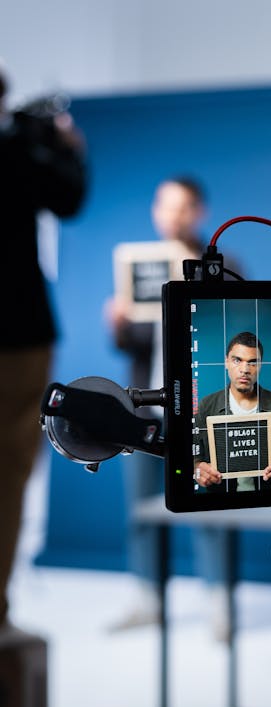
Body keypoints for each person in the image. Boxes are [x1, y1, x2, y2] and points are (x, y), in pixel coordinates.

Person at [105, 177, 240, 635]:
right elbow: (133, 345)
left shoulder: (223, 263)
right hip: (146, 408)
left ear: (198, 211)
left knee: (211, 505)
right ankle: (147, 598)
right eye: (164, 206)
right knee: (140, 507)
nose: (172, 216)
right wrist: (119, 322)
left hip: (203, 407)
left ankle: (220, 605)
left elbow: (236, 326)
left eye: (182, 207)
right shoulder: (139, 268)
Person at [0, 63, 87, 635]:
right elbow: (69, 197)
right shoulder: (16, 153)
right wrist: (68, 149)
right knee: (8, 473)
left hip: (20, 332)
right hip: (18, 331)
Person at [194, 331, 271, 491]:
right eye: (237, 360)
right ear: (226, 362)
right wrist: (198, 469)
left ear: (260, 365)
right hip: (222, 504)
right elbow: (194, 457)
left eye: (253, 362)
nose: (245, 369)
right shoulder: (206, 406)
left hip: (269, 499)